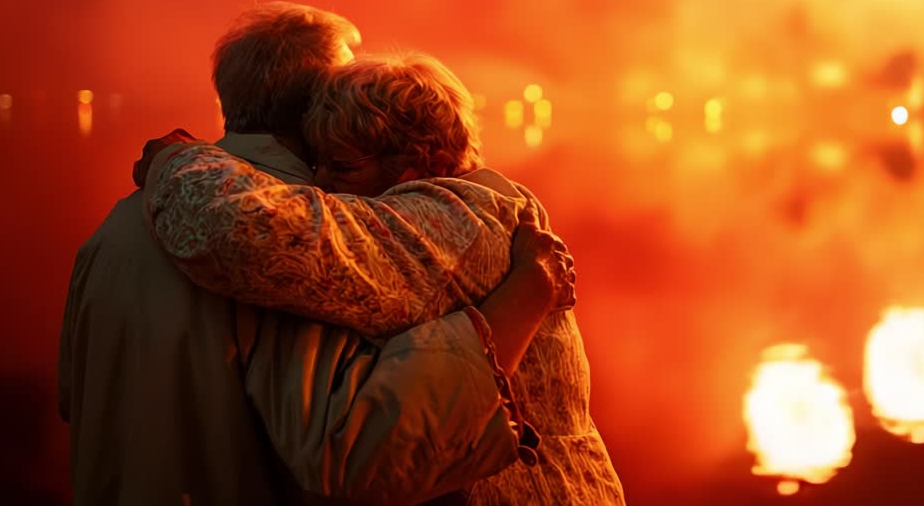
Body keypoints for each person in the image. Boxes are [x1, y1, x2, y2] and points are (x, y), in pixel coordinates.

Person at [59, 2, 572, 505]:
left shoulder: (114, 229)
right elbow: (353, 451)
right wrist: (523, 298)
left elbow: (72, 398)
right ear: (314, 107)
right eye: (343, 85)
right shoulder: (308, 244)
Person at [139, 52, 626, 505]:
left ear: (427, 162)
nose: (322, 184)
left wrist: (178, 161)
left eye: (344, 166)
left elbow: (245, 236)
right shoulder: (485, 210)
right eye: (317, 164)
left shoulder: (451, 224)